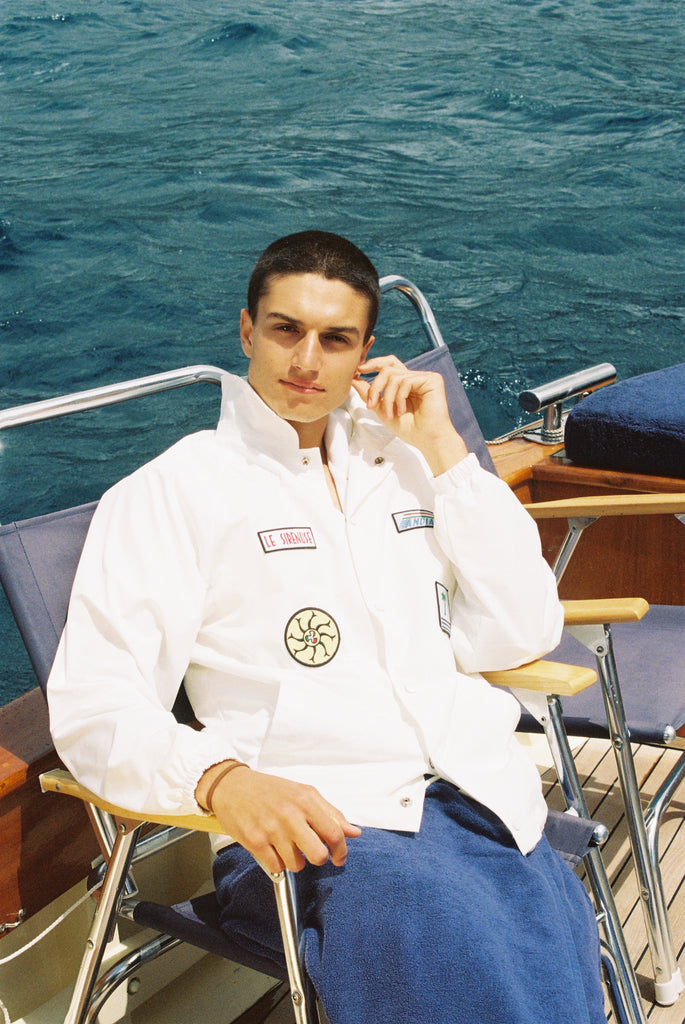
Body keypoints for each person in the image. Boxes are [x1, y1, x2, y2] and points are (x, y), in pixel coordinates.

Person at [47, 230, 607, 1023]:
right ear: (246, 331)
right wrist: (220, 779)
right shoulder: (173, 491)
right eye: (285, 329)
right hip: (321, 827)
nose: (307, 359)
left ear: (365, 352)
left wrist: (448, 454)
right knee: (459, 958)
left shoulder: (410, 465)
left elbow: (517, 631)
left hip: (478, 797)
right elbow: (96, 704)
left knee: (554, 971)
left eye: (335, 338)